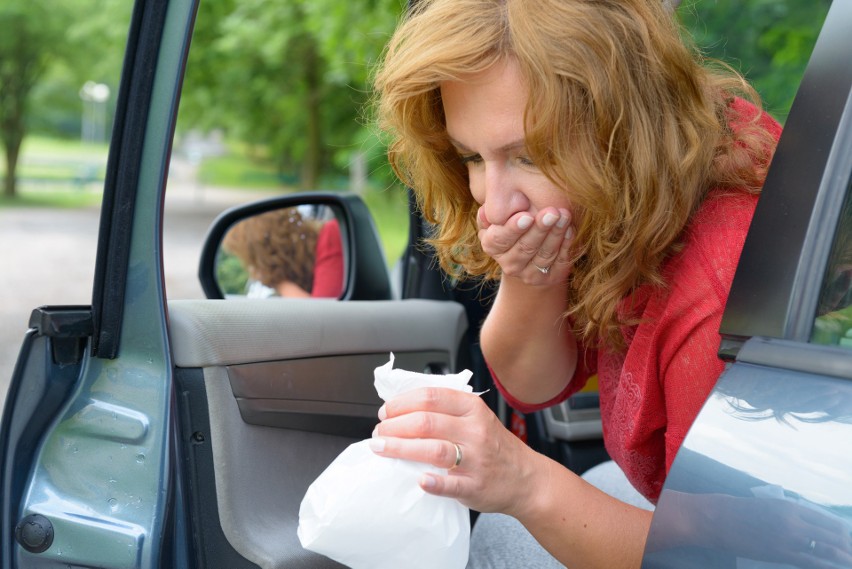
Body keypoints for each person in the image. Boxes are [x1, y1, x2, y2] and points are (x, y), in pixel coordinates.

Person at [367, 0, 787, 567]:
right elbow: (533, 386)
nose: (494, 203)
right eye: (471, 156)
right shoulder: (641, 196)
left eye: (531, 156)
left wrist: (524, 481)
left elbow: (737, 556)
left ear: (622, 130)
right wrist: (533, 280)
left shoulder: (720, 293)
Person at [222, 207, 343, 299]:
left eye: (252, 262)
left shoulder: (331, 235)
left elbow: (322, 317)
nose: (252, 271)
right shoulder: (307, 264)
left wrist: (277, 282)